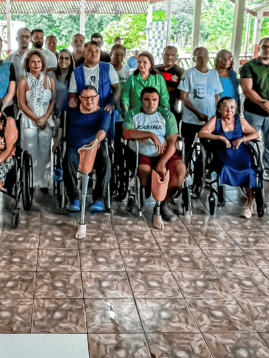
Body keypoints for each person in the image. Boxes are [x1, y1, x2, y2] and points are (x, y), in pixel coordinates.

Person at [123, 87, 184, 229]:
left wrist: (162, 163)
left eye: (155, 100)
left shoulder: (167, 115)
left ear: (159, 101)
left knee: (180, 170)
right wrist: (151, 134)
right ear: (140, 100)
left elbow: (172, 141)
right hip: (141, 152)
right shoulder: (132, 114)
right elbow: (127, 134)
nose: (151, 103)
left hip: (164, 152)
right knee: (145, 170)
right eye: (147, 100)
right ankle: (145, 193)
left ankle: (165, 203)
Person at [199, 96, 260, 219]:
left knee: (249, 170)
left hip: (240, 151)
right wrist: (220, 137)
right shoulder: (215, 119)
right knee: (226, 167)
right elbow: (202, 133)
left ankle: (250, 204)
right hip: (222, 151)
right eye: (226, 108)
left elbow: (255, 134)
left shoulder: (240, 120)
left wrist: (242, 139)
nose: (229, 111)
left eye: (232, 108)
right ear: (219, 109)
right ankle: (223, 192)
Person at [239, 37, 269, 184]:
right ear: (259, 47)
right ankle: (249, 171)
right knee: (250, 141)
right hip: (253, 112)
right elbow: (247, 89)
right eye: (264, 46)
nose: (267, 49)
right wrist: (262, 103)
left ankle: (268, 171)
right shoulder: (249, 66)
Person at [65, 87, 111, 224]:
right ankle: (74, 199)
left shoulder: (104, 112)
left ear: (97, 98)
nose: (89, 100)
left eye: (92, 97)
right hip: (75, 148)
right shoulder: (72, 112)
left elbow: (103, 130)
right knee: (68, 159)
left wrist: (94, 142)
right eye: (85, 98)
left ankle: (98, 199)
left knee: (106, 162)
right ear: (79, 98)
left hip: (94, 148)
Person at [16, 49, 55, 193]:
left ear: (42, 63)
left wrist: (44, 118)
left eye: (38, 61)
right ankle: (30, 182)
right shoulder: (23, 81)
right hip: (28, 119)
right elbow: (21, 104)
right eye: (33, 61)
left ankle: (44, 182)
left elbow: (52, 100)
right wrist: (35, 118)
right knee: (30, 150)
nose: (36, 64)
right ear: (28, 64)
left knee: (45, 151)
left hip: (46, 119)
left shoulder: (49, 80)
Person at [179, 47, 222, 150]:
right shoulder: (188, 73)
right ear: (194, 59)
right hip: (190, 120)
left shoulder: (214, 74)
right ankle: (186, 165)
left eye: (205, 56)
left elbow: (217, 96)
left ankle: (203, 165)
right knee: (187, 146)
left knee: (207, 147)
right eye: (199, 57)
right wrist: (198, 113)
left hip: (209, 119)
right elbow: (183, 97)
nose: (203, 59)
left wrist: (218, 113)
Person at [67, 42, 120, 120]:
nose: (94, 54)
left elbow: (117, 88)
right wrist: (72, 99)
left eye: (96, 51)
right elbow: (72, 93)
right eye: (90, 51)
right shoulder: (76, 72)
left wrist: (111, 103)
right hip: (84, 114)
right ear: (84, 53)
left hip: (105, 111)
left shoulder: (108, 68)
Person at [122, 51, 169, 118]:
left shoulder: (158, 78)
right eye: (139, 62)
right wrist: (127, 113)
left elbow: (164, 97)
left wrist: (164, 111)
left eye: (144, 62)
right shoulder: (132, 79)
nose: (141, 65)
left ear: (150, 64)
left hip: (155, 116)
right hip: (136, 116)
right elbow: (125, 96)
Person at [158, 45, 184, 122]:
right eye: (167, 54)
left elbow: (183, 95)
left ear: (176, 56)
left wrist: (181, 112)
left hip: (173, 109)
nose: (169, 57)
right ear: (162, 55)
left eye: (172, 55)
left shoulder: (181, 72)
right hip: (156, 109)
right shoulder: (155, 70)